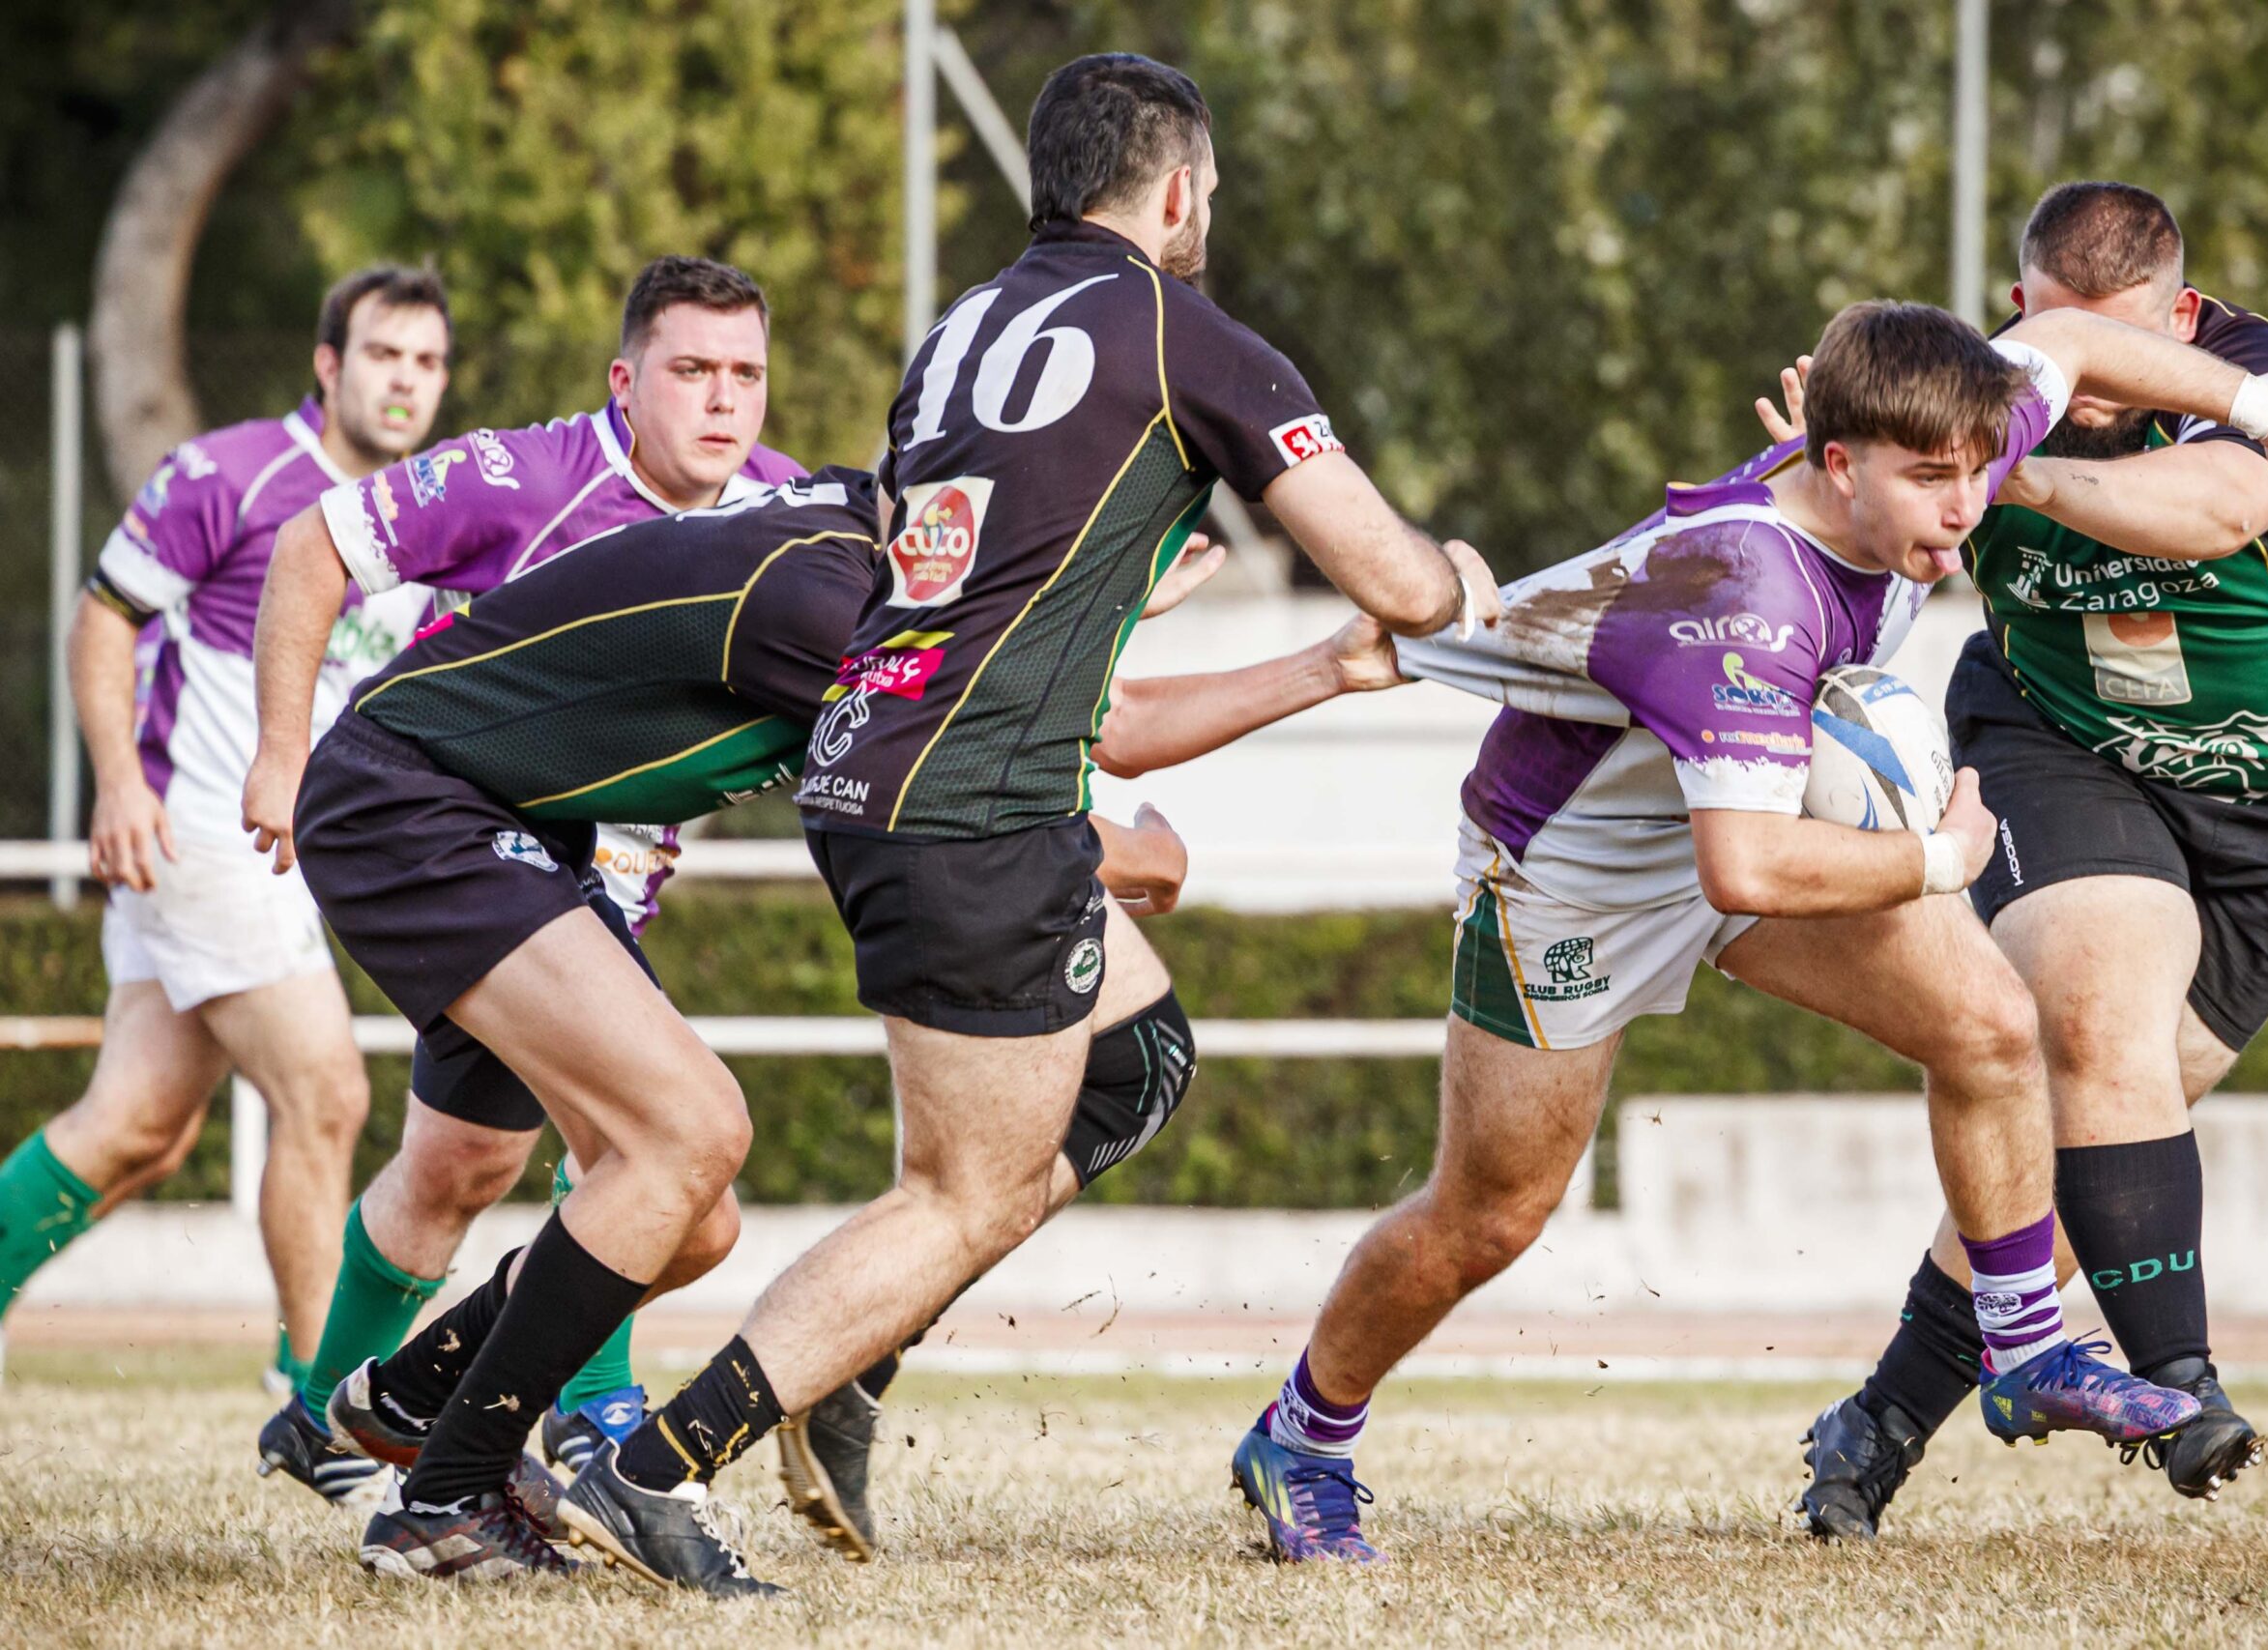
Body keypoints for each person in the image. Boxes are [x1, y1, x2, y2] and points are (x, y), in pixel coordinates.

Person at [555, 51, 1501, 1595]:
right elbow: (1394, 578)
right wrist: (1454, 587)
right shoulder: (1188, 335)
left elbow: (978, 579)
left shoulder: (952, 337)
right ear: (1182, 189)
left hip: (886, 770)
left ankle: (844, 1366)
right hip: (975, 805)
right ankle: (654, 1464)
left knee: (1138, 1060)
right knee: (963, 1191)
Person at [1224, 297, 2268, 1563]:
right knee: (1488, 1214)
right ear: (1836, 464)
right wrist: (1942, 858)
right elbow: (1750, 865)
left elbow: (2084, 339)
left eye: (1980, 471)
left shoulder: (1936, 451)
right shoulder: (1750, 593)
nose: (1964, 506)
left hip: (1734, 809)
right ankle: (1302, 1435)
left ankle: (2028, 1342)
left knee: (1993, 1026)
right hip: (1574, 865)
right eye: (1931, 480)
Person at [288, 468, 1410, 1584]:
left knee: (693, 1220)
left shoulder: (871, 561)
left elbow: (1050, 714)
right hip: (415, 808)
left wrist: (1306, 658)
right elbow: (1016, 775)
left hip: (494, 825)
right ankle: (443, 1500)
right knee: (688, 1136)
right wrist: (1137, 845)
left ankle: (414, 1397)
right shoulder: (821, 601)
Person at [1796, 182, 2268, 1538]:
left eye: (2123, 347)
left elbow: (2217, 511)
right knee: (2094, 1016)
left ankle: (1875, 1421)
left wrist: (2003, 467)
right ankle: (2178, 1382)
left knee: (2090, 1150)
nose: (2094, 377)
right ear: (2021, 317)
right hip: (2064, 749)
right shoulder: (1956, 389)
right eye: (2066, 344)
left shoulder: (2255, 375)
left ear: (2181, 322)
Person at [243, 255, 805, 1502]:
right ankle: (584, 1417)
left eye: (747, 376)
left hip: (579, 893)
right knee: (655, 1160)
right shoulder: (530, 476)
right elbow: (311, 545)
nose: (723, 402)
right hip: (469, 859)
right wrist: (282, 749)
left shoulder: (783, 515)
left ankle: (329, 1422)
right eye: (692, 372)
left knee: (459, 1165)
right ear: (625, 379)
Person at [0, 268, 451, 1508]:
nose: (404, 379)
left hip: (273, 859)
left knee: (139, 1126)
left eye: (426, 361)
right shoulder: (233, 474)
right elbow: (104, 619)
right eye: (382, 354)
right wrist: (113, 785)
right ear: (328, 364)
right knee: (323, 1092)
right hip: (193, 829)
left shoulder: (424, 510)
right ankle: (320, 1405)